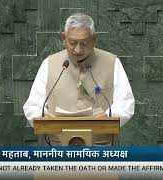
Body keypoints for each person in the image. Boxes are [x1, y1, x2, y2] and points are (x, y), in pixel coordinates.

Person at [23, 13, 135, 146]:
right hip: (58, 151)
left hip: (101, 151)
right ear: (63, 37)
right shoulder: (49, 63)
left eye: (84, 43)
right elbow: (33, 105)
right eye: (72, 42)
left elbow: (126, 104)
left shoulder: (112, 62)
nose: (78, 49)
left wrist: (108, 117)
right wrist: (46, 117)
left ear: (94, 38)